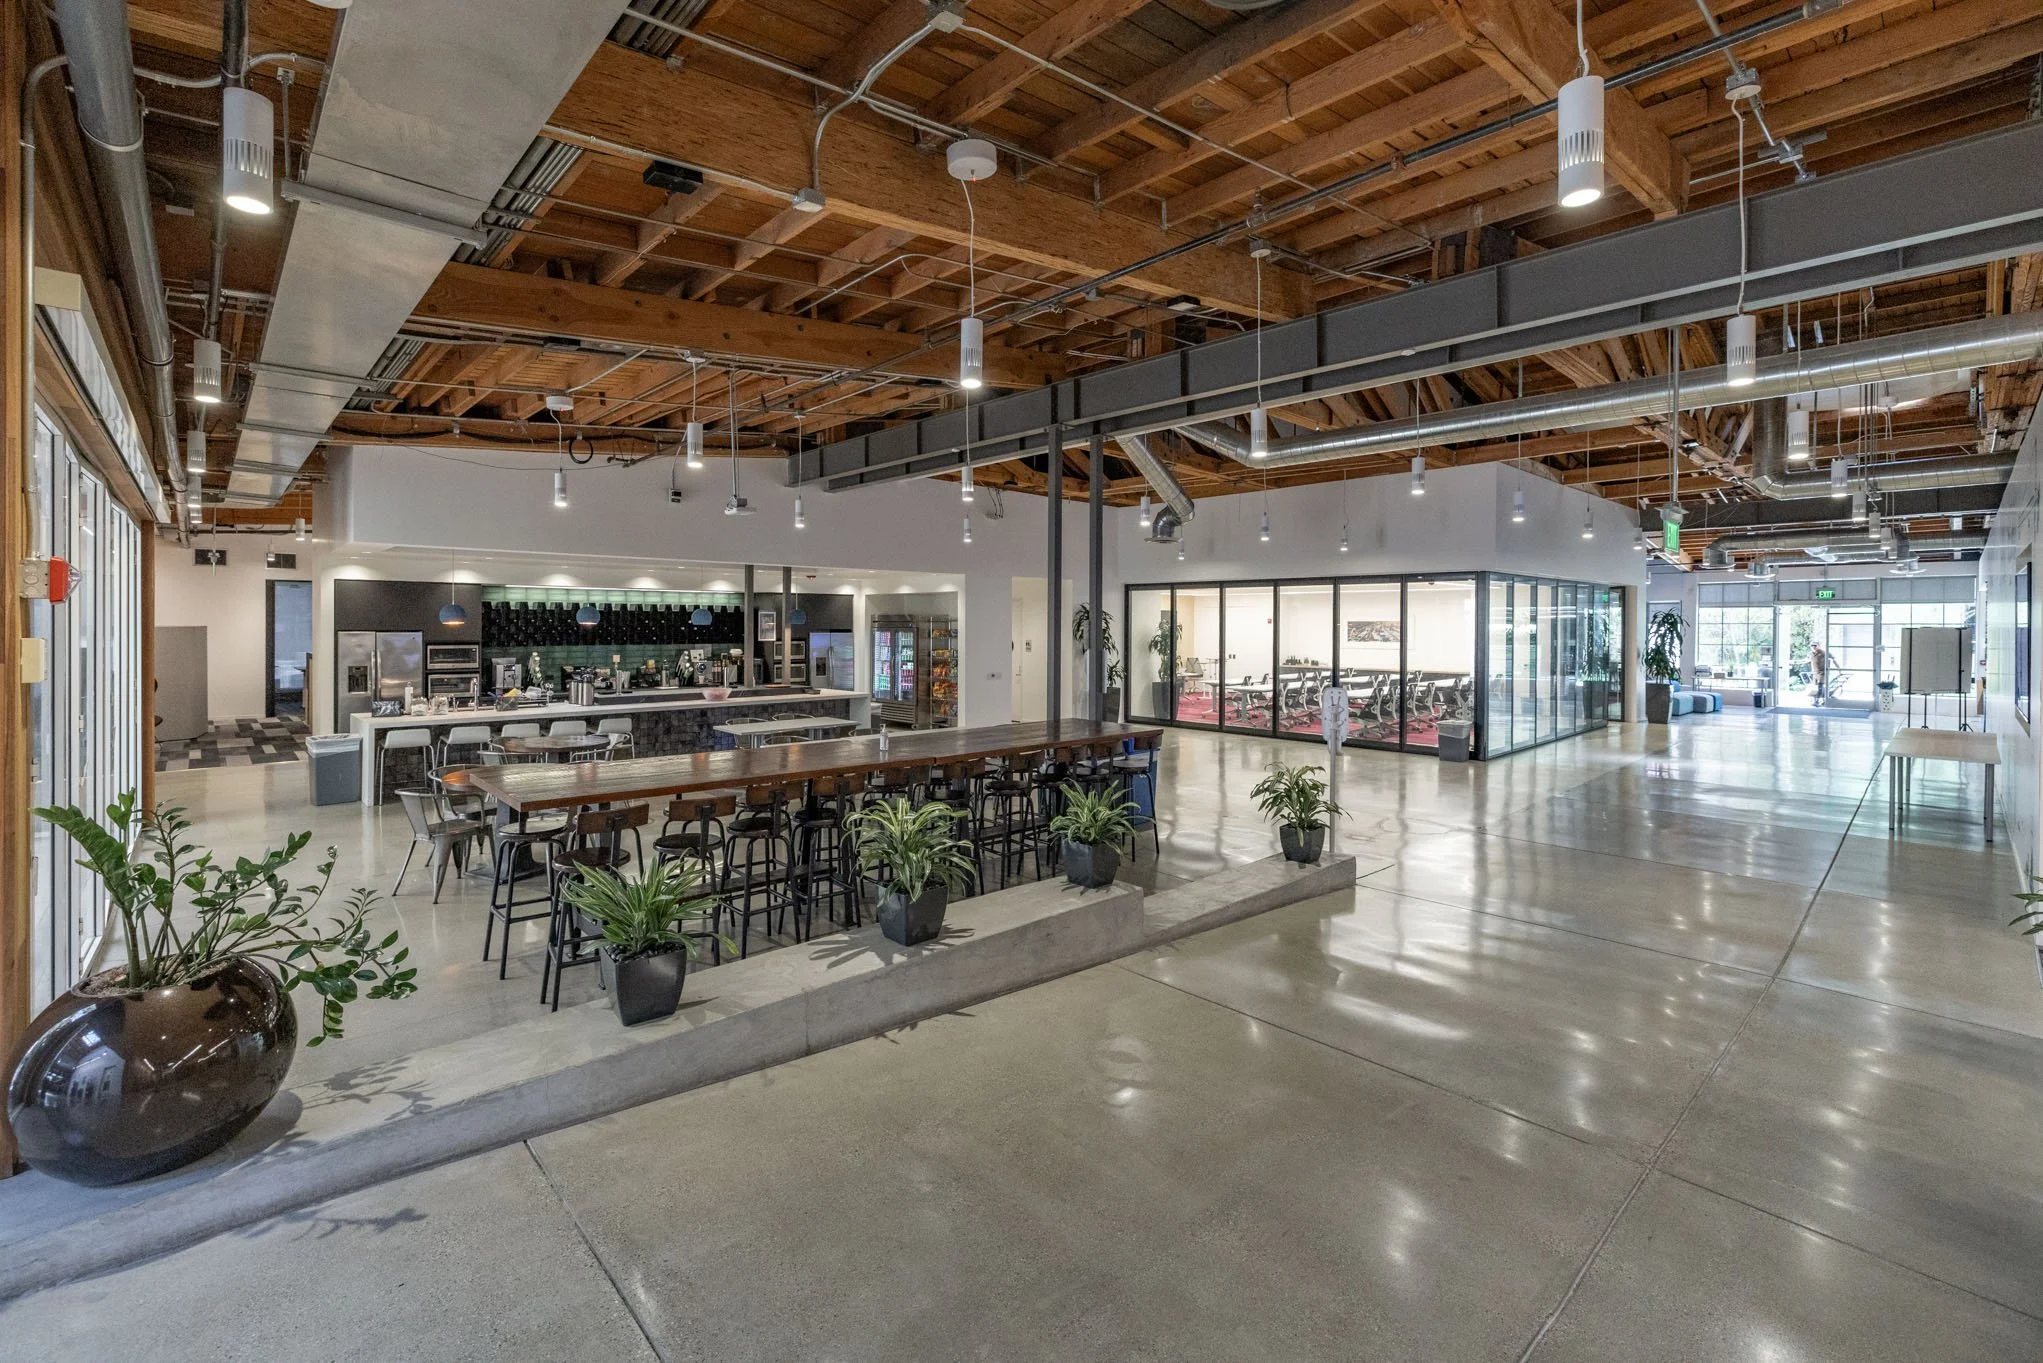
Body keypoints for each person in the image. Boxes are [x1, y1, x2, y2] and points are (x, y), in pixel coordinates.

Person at [1810, 641, 1829, 705]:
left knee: (1820, 686)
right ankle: (1823, 699)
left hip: (1822, 672)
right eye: (1812, 646)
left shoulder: (1823, 653)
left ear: (1819, 646)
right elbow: (1810, 661)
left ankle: (1818, 700)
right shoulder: (1812, 654)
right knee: (1818, 687)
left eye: (1815, 645)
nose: (1814, 647)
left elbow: (1832, 659)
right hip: (1815, 672)